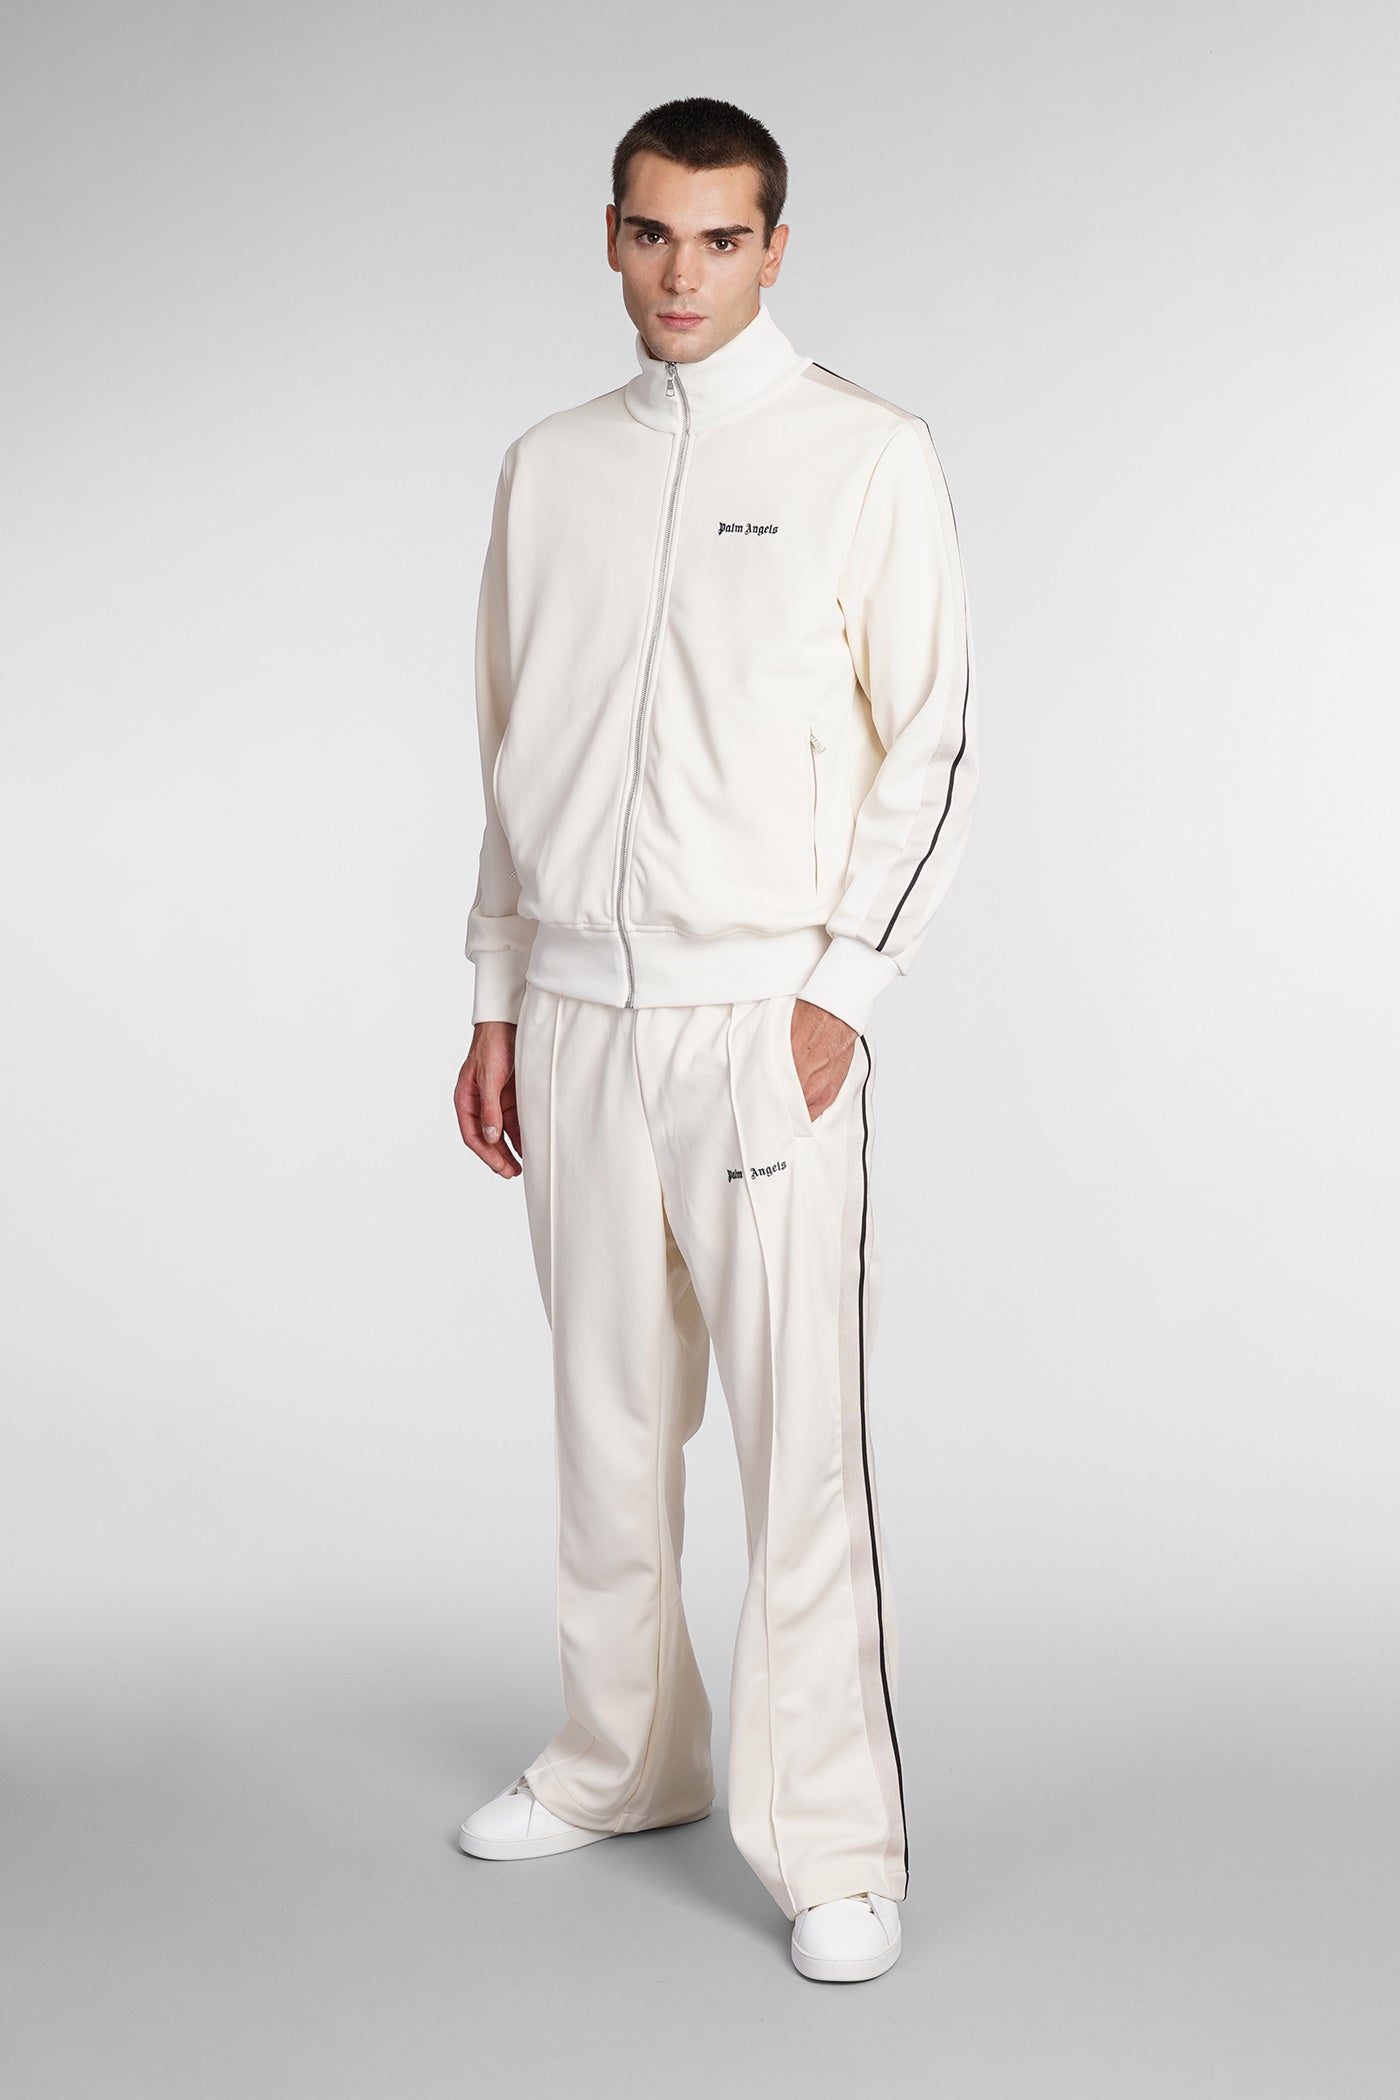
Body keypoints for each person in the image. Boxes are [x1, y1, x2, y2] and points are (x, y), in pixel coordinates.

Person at [453, 94, 978, 1984]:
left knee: (795, 1447)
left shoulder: (864, 453)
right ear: (612, 236)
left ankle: (832, 1843)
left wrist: (841, 990)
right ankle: (622, 1762)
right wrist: (498, 992)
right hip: (576, 1018)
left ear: (774, 249)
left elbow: (931, 739)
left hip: (762, 1022)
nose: (683, 273)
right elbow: (513, 745)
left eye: (721, 238)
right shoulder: (548, 468)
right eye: (652, 233)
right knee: (605, 1424)